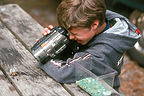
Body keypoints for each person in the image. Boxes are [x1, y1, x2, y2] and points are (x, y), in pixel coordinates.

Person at [39, 0, 141, 92]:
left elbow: (62, 72)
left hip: (101, 91)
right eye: (68, 32)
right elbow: (75, 46)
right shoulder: (101, 22)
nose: (70, 37)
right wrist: (56, 41)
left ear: (94, 25)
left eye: (74, 34)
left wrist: (42, 53)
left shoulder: (102, 53)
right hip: (86, 83)